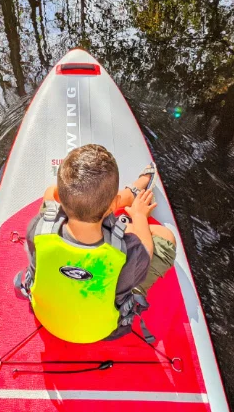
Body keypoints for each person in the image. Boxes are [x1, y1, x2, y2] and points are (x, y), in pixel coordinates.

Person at [17, 144, 177, 344]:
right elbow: (147, 248)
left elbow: (52, 194)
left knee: (49, 193)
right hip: (104, 330)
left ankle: (120, 198)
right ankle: (125, 198)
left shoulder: (37, 228)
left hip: (47, 319)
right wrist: (139, 216)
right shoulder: (128, 252)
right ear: (112, 207)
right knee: (166, 236)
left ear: (60, 198)